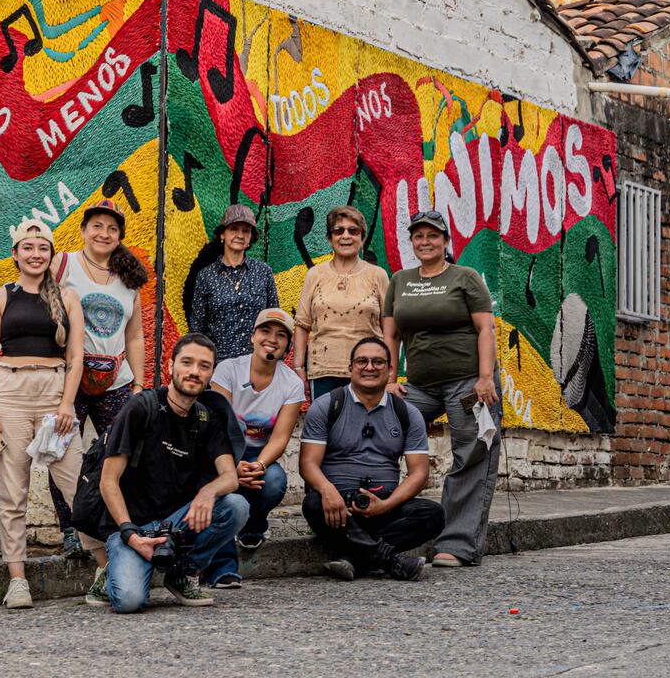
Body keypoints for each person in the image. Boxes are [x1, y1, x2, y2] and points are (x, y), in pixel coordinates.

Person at [0, 218, 104, 609]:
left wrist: (67, 404)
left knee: (77, 485)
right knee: (12, 492)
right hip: (9, 391)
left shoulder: (67, 298)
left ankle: (106, 566)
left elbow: (76, 356)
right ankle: (18, 580)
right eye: (28, 248)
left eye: (43, 248)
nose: (35, 255)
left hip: (53, 393)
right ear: (15, 255)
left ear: (51, 255)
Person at [382, 210, 501, 569]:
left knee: (472, 453)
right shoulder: (400, 281)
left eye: (433, 235)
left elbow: (485, 329)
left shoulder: (464, 277)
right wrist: (389, 380)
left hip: (468, 381)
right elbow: (391, 336)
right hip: (420, 385)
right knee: (384, 431)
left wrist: (485, 377)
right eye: (418, 236)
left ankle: (457, 544)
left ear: (446, 241)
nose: (425, 242)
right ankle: (383, 524)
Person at [99, 333, 249, 613]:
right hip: (131, 525)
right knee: (129, 601)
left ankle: (183, 572)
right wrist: (130, 534)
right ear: (170, 366)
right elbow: (108, 481)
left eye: (204, 366)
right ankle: (110, 575)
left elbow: (230, 476)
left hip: (176, 523)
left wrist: (208, 492)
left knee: (236, 506)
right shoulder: (141, 407)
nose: (195, 372)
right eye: (187, 362)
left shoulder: (207, 418)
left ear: (211, 374)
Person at [47, 198, 149, 559]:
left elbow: (135, 336)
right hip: (70, 379)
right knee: (62, 452)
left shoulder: (129, 279)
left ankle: (115, 525)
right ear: (83, 230)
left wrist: (138, 384)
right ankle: (71, 530)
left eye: (112, 228)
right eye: (97, 226)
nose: (104, 233)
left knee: (120, 453)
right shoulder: (63, 264)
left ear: (119, 235)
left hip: (116, 381)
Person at [299, 337, 443, 580]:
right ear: (350, 367)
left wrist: (387, 505)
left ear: (390, 369)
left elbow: (419, 473)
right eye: (362, 361)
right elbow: (307, 463)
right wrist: (327, 491)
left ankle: (354, 559)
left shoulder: (407, 413)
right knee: (313, 503)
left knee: (433, 515)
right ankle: (391, 560)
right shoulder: (327, 406)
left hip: (384, 506)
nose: (369, 367)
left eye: (378, 362)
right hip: (337, 508)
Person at [204, 308, 305, 588]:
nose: (272, 339)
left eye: (281, 335)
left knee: (273, 481)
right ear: (253, 336)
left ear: (287, 345)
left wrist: (258, 465)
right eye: (265, 331)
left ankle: (253, 524)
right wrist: (232, 467)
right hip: (225, 450)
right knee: (225, 489)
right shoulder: (228, 370)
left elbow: (280, 438)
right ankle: (222, 568)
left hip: (259, 456)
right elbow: (219, 427)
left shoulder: (292, 384)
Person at [293, 205, 389, 399]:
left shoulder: (377, 275)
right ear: (330, 238)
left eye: (353, 231)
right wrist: (298, 367)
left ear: (362, 237)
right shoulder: (315, 275)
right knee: (327, 418)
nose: (346, 236)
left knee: (368, 418)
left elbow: (389, 328)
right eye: (338, 231)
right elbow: (302, 324)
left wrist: (389, 368)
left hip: (369, 369)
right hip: (323, 371)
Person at [189, 204, 279, 362]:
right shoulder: (206, 276)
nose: (240, 235)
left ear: (251, 237)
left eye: (246, 231)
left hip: (256, 363)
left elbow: (274, 320)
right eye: (234, 229)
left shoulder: (263, 272)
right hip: (219, 365)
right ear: (222, 234)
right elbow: (197, 328)